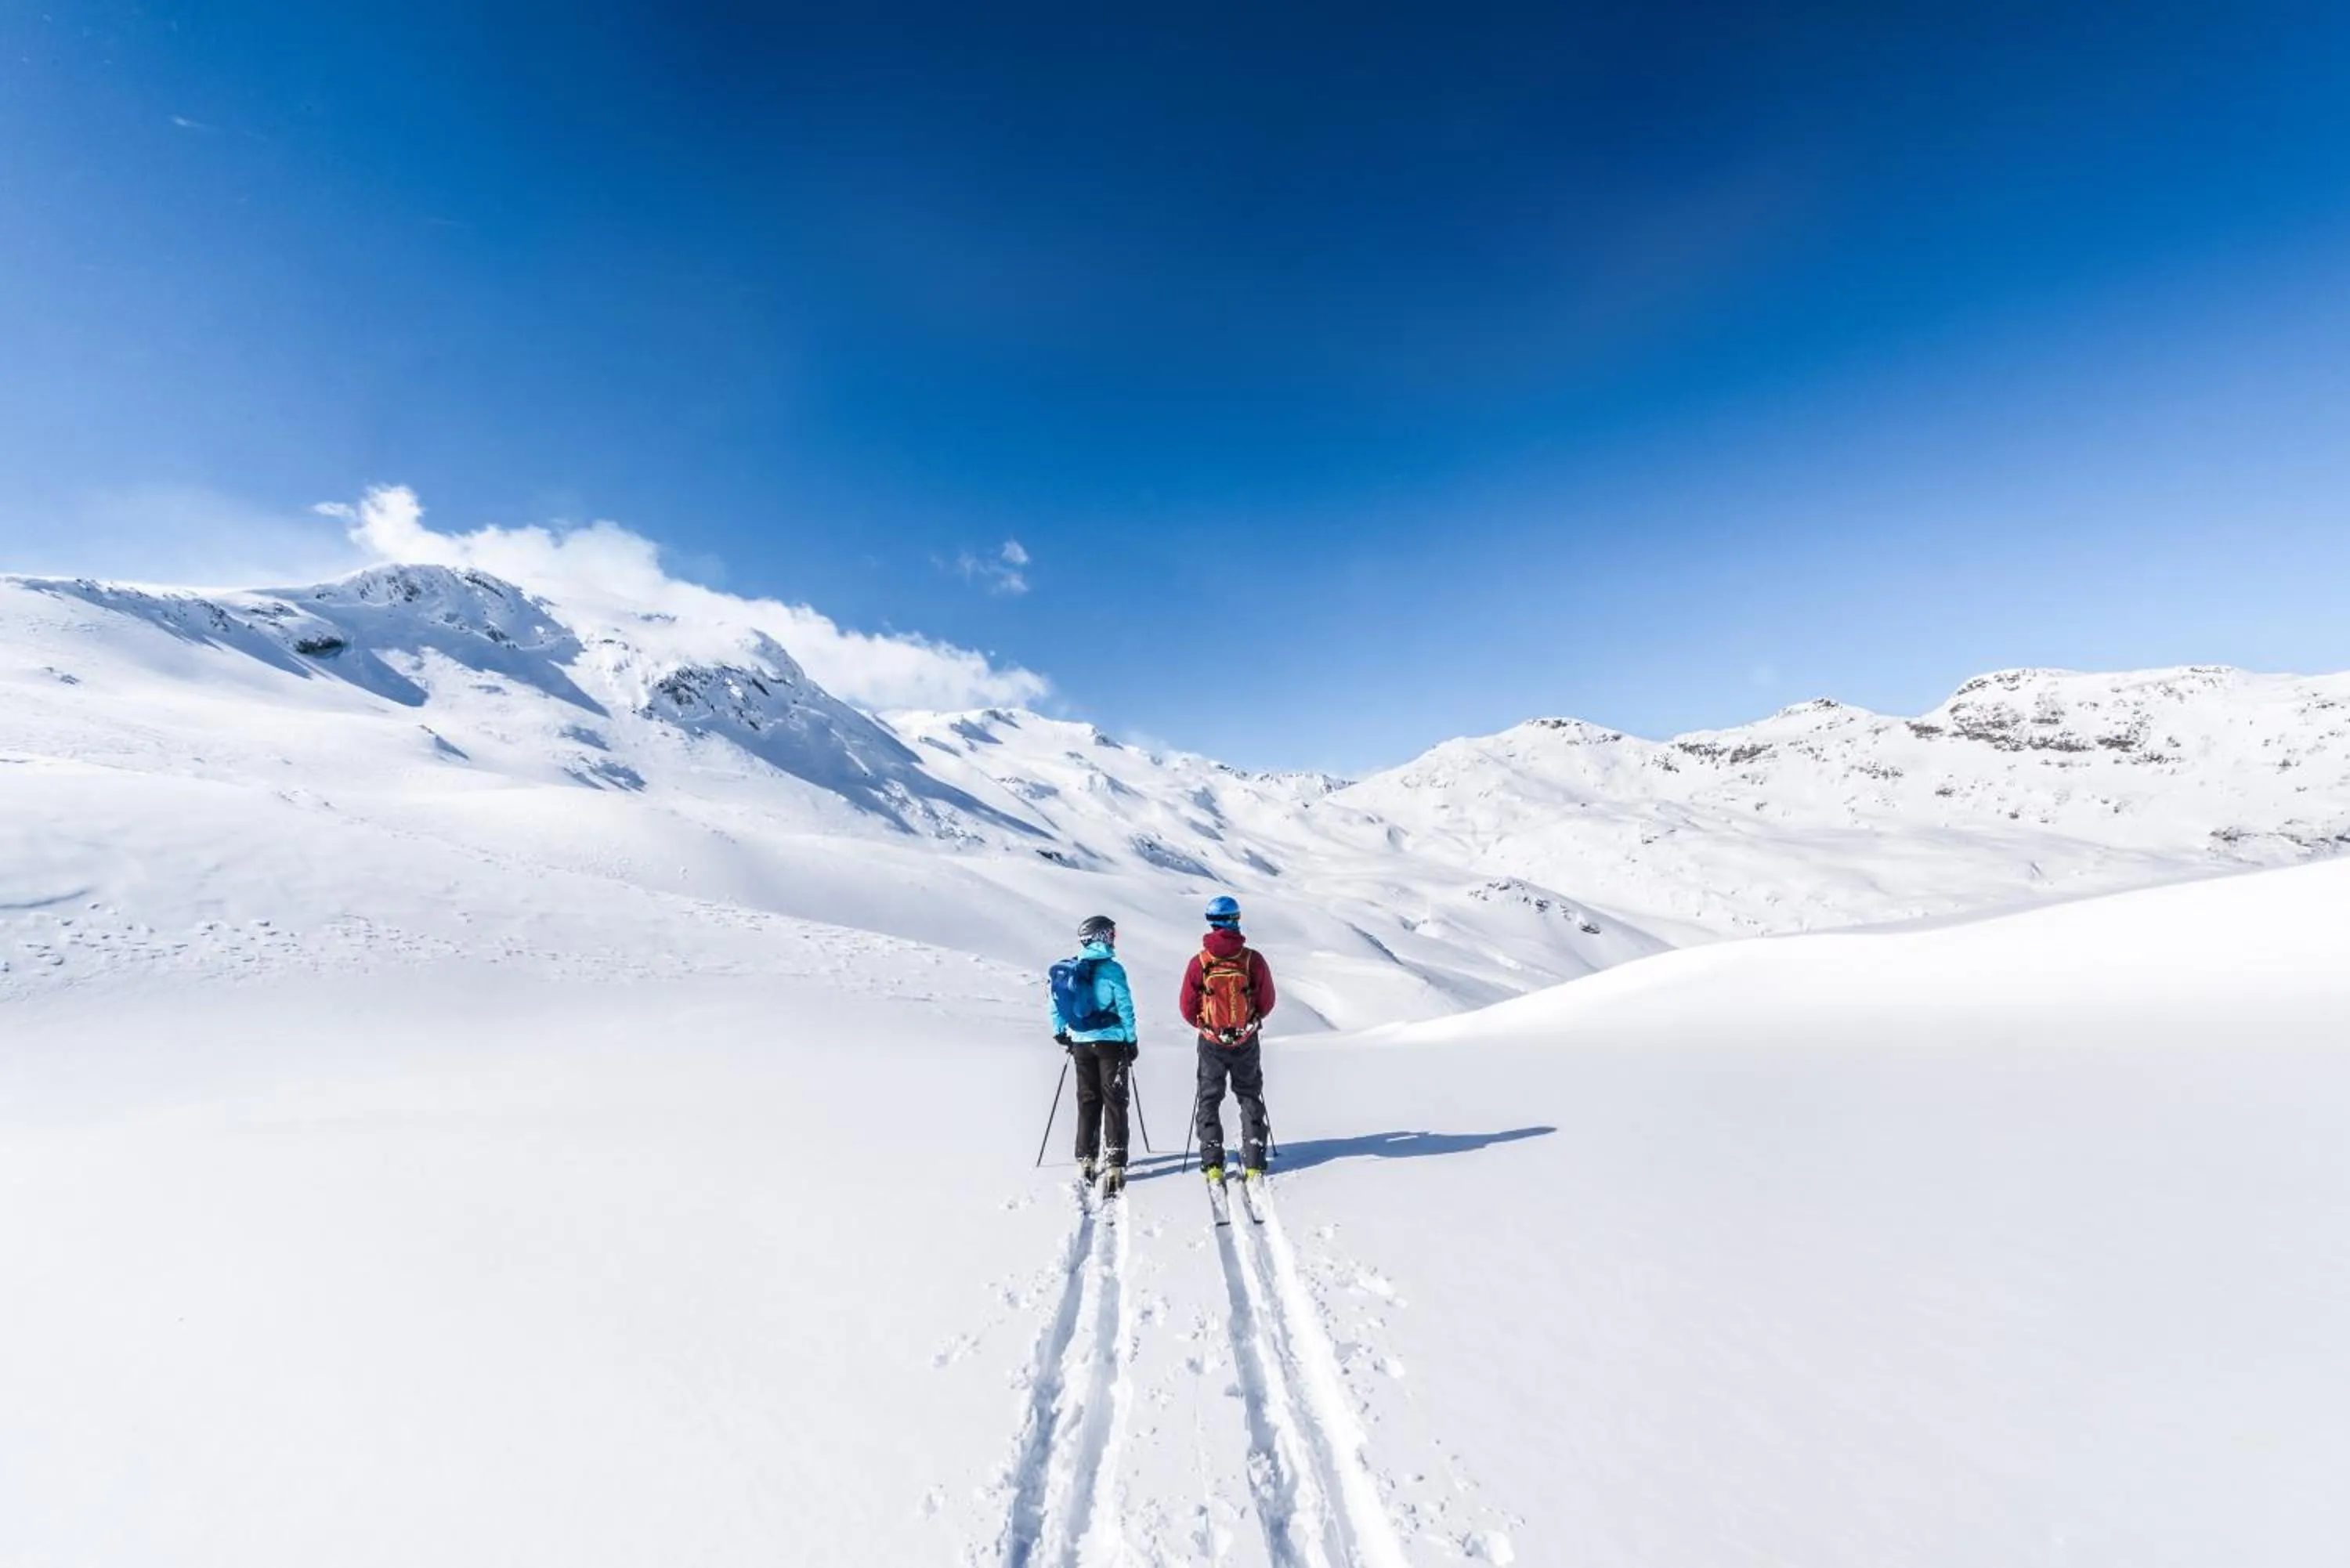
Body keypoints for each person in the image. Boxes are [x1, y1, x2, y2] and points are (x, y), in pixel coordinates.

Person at [1179, 894, 1277, 1186]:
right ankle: (1255, 1162)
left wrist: (1205, 1026)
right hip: (1246, 1040)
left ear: (1210, 922)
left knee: (1209, 1098)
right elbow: (1267, 1001)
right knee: (1249, 1095)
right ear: (1236, 919)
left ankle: (1212, 1164)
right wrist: (1251, 1022)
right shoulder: (1252, 959)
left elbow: (1186, 1006)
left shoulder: (1200, 962)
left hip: (1211, 1042)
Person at [1050, 914, 1138, 1194]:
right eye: (1111, 933)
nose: (1114, 938)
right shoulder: (1113, 970)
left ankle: (1086, 1159)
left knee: (1087, 1100)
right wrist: (1131, 1040)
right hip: (1111, 1043)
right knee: (1115, 1101)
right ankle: (1114, 1161)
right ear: (1101, 937)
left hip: (1080, 1044)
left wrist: (1061, 1032)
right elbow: (1125, 1008)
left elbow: (1056, 1004)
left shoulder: (1070, 969)